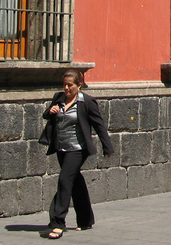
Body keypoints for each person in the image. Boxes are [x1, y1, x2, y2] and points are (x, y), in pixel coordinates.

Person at [41, 69, 114, 239]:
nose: (66, 88)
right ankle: (85, 219)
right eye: (64, 85)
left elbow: (99, 124)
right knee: (75, 181)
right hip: (61, 147)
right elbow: (47, 115)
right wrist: (50, 111)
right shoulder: (58, 98)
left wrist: (107, 146)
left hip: (78, 148)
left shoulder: (86, 102)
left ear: (79, 85)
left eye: (70, 85)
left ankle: (58, 221)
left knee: (65, 179)